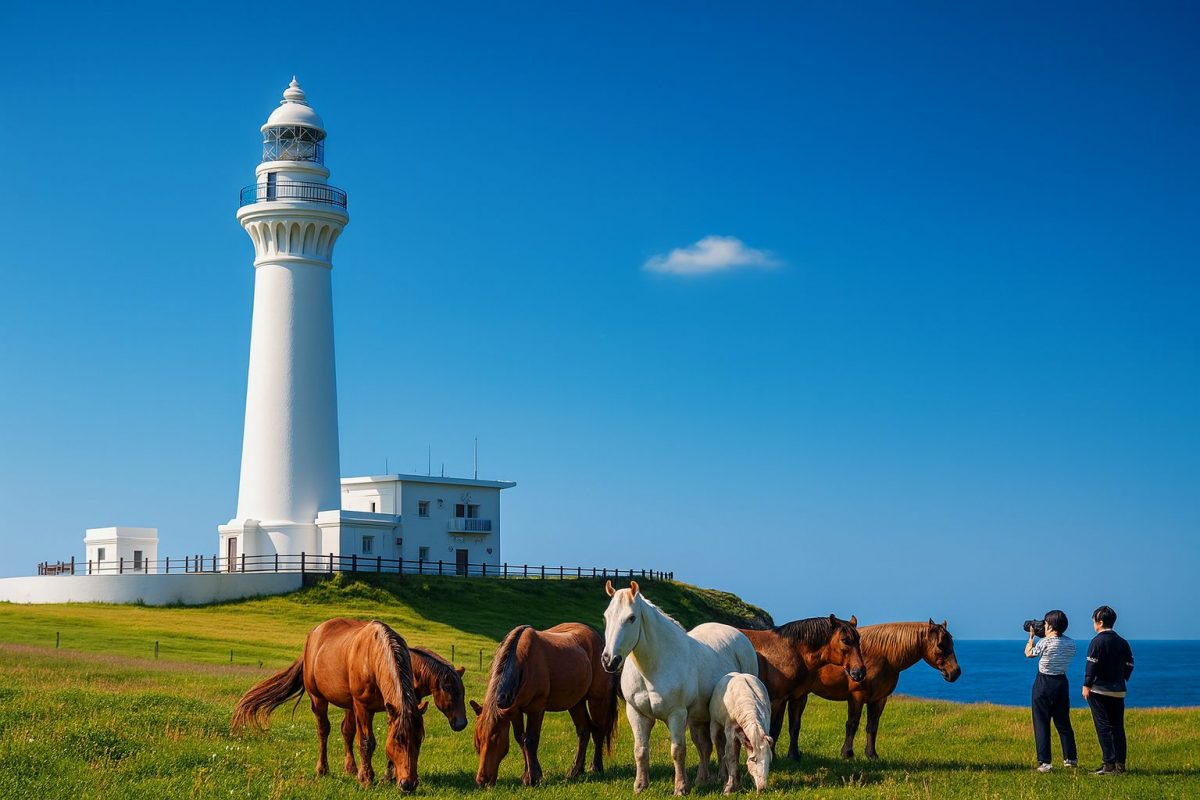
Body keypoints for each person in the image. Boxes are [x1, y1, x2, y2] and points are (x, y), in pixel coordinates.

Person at [1083, 605, 1134, 775]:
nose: (1093, 624)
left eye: (1094, 621)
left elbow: (1091, 666)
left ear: (1100, 622)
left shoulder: (1097, 642)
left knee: (1103, 727)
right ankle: (1120, 764)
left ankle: (1108, 764)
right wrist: (1122, 677)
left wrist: (1087, 685)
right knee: (1118, 727)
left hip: (1100, 691)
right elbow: (1129, 664)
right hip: (1118, 690)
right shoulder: (1122, 642)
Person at [1024, 609, 1077, 772]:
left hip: (1044, 683)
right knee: (1063, 723)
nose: (1044, 625)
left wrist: (1031, 637)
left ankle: (1045, 763)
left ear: (1051, 626)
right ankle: (1070, 759)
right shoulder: (1070, 643)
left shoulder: (1044, 642)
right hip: (1061, 682)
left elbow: (1029, 654)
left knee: (1041, 723)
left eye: (1046, 623)